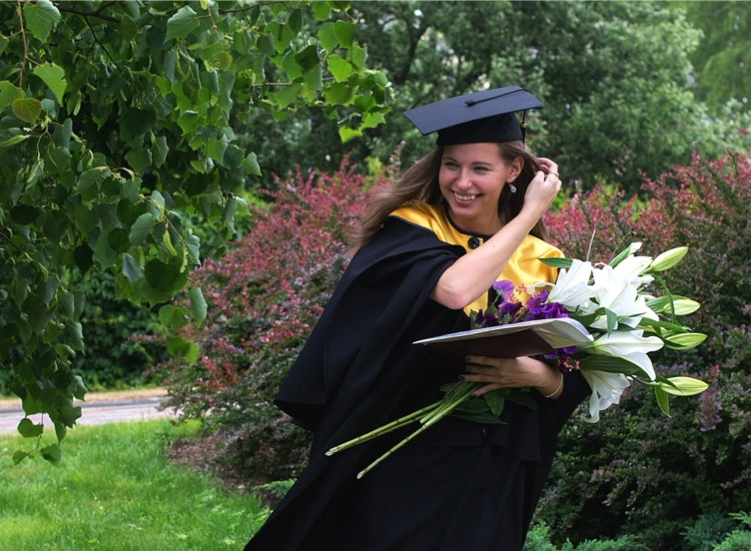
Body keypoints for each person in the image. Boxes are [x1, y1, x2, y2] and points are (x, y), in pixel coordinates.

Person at [245, 86, 592, 551]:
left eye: (480, 168)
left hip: (497, 461)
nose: (461, 181)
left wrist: (537, 376)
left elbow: (578, 368)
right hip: (407, 452)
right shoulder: (410, 230)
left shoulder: (546, 261)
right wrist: (530, 212)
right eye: (452, 164)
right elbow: (454, 290)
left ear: (514, 170)